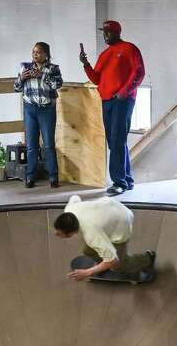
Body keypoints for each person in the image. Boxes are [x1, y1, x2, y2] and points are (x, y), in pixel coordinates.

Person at [79, 20, 144, 195]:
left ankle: (118, 182)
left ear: (117, 32)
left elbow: (139, 72)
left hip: (122, 100)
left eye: (108, 32)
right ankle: (127, 179)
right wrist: (85, 64)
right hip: (106, 100)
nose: (105, 35)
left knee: (116, 140)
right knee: (115, 141)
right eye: (104, 32)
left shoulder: (130, 49)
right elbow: (97, 79)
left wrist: (124, 92)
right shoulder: (104, 55)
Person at [54, 194, 156, 283]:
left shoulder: (91, 234)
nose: (57, 234)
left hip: (122, 221)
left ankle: (147, 258)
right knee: (88, 251)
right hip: (109, 207)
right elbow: (75, 197)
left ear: (72, 232)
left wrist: (87, 272)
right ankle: (103, 263)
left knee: (118, 265)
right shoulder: (69, 210)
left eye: (61, 234)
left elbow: (113, 260)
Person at [15, 41, 63, 188]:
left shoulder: (53, 68)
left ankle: (53, 176)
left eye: (39, 52)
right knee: (31, 145)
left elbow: (58, 84)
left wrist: (42, 75)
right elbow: (16, 88)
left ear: (46, 55)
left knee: (48, 144)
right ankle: (30, 177)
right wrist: (22, 78)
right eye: (34, 52)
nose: (35, 55)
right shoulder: (25, 67)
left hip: (47, 109)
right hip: (30, 108)